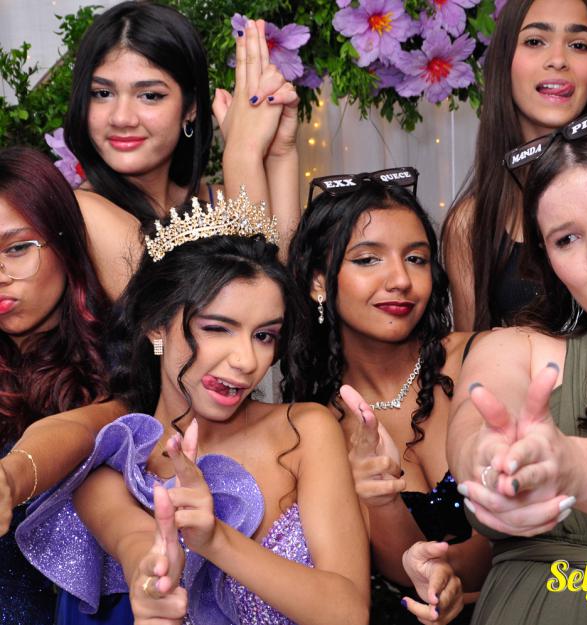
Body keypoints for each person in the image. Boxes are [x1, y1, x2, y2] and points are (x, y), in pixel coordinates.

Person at [16, 190, 370, 625]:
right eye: (217, 328)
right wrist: (151, 580)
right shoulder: (114, 465)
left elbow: (349, 613)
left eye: (264, 336)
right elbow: (138, 550)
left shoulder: (305, 430)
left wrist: (216, 539)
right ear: (154, 325)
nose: (246, 361)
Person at [285, 169, 491, 624]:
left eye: (416, 259)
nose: (400, 279)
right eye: (367, 260)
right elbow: (401, 574)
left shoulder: (481, 359)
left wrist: (452, 577)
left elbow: (515, 540)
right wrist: (381, 500)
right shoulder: (317, 426)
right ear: (318, 281)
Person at [447, 107, 587, 624]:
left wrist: (570, 465)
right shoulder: (516, 347)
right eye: (566, 238)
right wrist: (495, 463)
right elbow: (474, 425)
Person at [65, 2, 300, 298]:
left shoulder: (222, 200)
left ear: (190, 108)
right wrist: (243, 151)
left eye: (150, 96)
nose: (122, 118)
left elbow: (292, 299)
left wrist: (280, 152)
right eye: (102, 93)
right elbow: (248, 305)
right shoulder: (81, 211)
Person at [442, 0, 587, 331]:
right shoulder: (471, 224)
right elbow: (471, 354)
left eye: (579, 45)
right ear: (504, 61)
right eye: (535, 41)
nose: (558, 60)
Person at [0, 147, 119, 625]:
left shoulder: (116, 361)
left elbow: (93, 425)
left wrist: (11, 477)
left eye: (17, 248)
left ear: (65, 243)